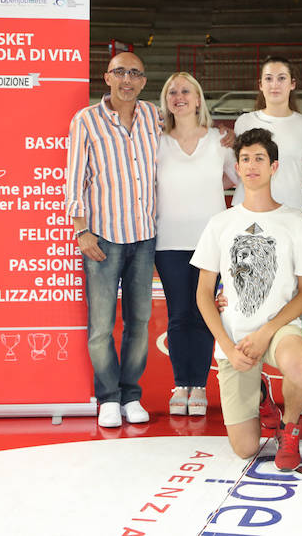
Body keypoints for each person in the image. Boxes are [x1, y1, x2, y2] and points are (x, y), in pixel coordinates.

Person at [192, 128, 302, 471]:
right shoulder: (220, 224)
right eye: (245, 159)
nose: (251, 166)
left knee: (300, 365)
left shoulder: (297, 222)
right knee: (245, 449)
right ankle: (263, 399)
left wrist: (266, 331)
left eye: (259, 159)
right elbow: (204, 295)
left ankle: (290, 429)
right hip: (234, 339)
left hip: (279, 329)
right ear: (237, 166)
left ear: (274, 167)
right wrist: (228, 348)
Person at [66, 51, 159, 427]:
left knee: (139, 322)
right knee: (102, 325)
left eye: (135, 73)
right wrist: (81, 230)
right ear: (107, 77)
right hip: (102, 239)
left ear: (143, 81)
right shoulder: (86, 121)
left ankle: (131, 394)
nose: (127, 79)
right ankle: (108, 397)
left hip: (145, 237)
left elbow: (189, 129)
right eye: (120, 72)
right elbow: (74, 180)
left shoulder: (154, 117)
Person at [155, 72, 238, 417]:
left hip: (211, 242)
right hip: (169, 241)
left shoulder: (220, 141)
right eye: (172, 91)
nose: (179, 96)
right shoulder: (155, 141)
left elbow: (241, 180)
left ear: (199, 98)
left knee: (204, 313)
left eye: (186, 91)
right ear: (166, 100)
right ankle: (181, 384)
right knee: (179, 315)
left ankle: (200, 386)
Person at [233, 56, 302, 210]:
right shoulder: (243, 122)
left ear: (292, 84)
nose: (275, 85)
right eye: (268, 79)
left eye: (281, 78)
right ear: (260, 84)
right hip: (249, 210)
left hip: (292, 209)